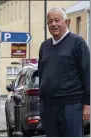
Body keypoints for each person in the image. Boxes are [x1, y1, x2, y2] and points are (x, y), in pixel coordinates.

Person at [38, 7, 90, 137]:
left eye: (57, 20)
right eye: (50, 21)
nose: (53, 24)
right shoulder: (44, 46)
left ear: (66, 22)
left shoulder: (78, 43)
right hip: (48, 107)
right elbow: (41, 73)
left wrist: (87, 104)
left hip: (71, 106)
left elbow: (87, 74)